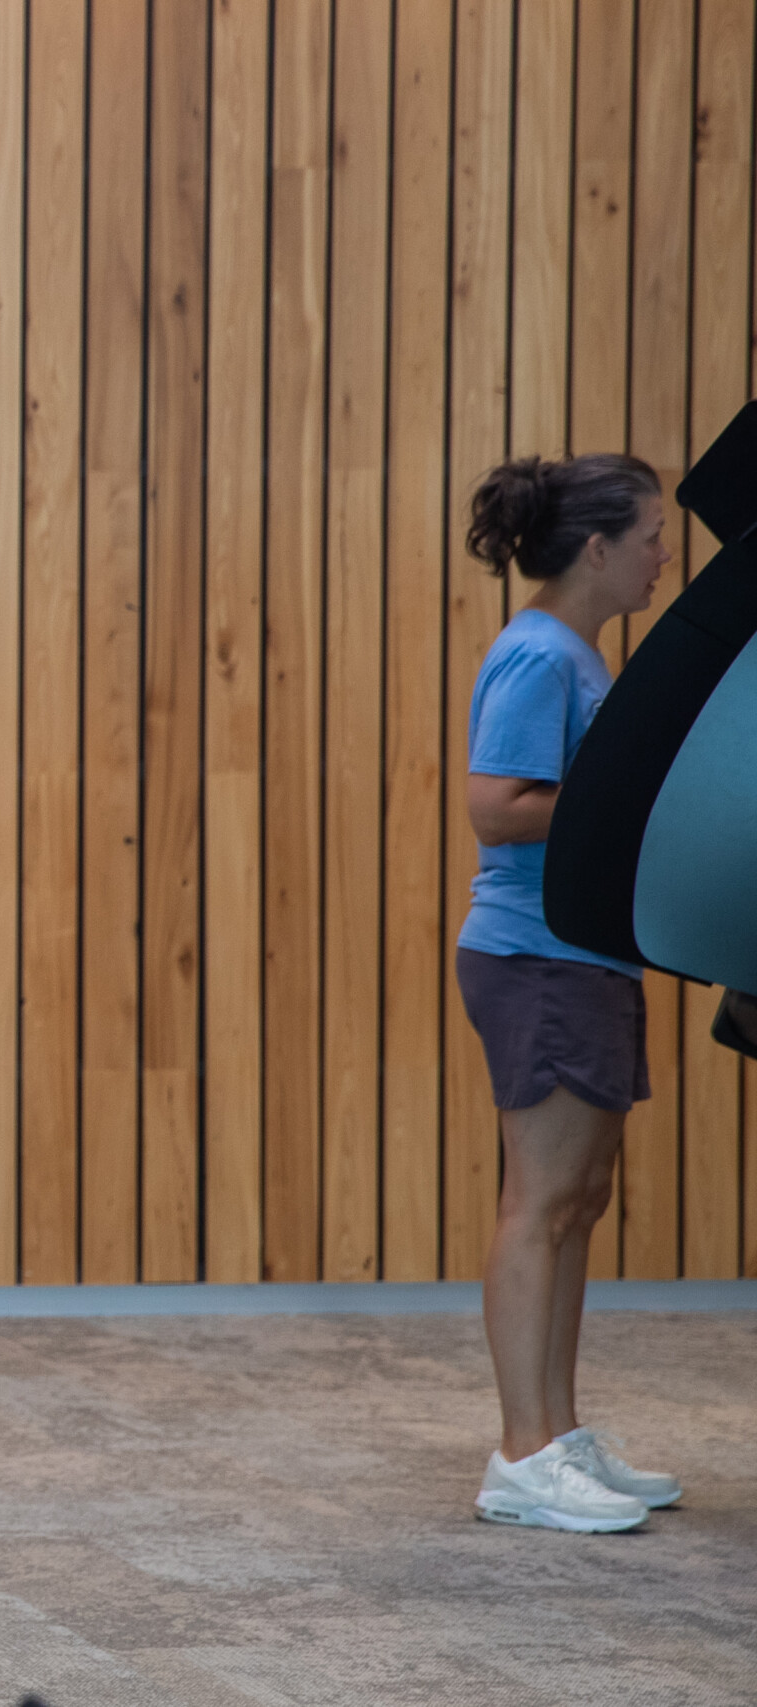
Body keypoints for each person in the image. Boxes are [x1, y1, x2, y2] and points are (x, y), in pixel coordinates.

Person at [458, 452, 681, 1533]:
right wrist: (628, 790)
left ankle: (555, 1431)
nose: (662, 557)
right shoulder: (540, 657)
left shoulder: (575, 658)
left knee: (577, 1205)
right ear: (595, 548)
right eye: (648, 537)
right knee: (540, 1205)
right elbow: (496, 807)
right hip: (536, 957)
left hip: (584, 957)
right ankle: (520, 1455)